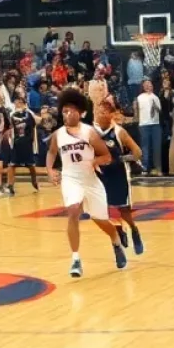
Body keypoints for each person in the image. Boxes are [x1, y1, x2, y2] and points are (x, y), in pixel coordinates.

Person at [47, 87, 126, 278]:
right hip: (70, 179)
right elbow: (51, 153)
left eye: (71, 110)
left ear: (80, 112)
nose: (67, 114)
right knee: (73, 211)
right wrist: (50, 170)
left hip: (90, 180)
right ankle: (75, 259)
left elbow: (107, 155)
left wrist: (96, 161)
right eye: (64, 111)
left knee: (99, 219)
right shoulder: (58, 135)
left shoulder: (89, 132)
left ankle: (116, 240)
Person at [93, 99, 144, 253]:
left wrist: (122, 159)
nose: (100, 114)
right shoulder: (92, 132)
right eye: (98, 111)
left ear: (111, 114)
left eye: (103, 112)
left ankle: (134, 230)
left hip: (119, 174)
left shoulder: (119, 131)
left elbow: (137, 153)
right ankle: (119, 232)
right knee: (106, 210)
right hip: (101, 175)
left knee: (124, 211)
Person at [6, 95, 39, 194]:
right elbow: (8, 127)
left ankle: (34, 181)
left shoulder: (29, 113)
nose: (18, 103)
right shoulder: (11, 114)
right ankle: (10, 185)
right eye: (16, 102)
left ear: (24, 103)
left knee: (31, 166)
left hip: (27, 142)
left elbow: (35, 125)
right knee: (12, 165)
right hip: (16, 143)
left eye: (20, 102)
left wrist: (32, 141)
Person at [135, 79, 162, 175]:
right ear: (143, 87)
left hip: (155, 125)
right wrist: (137, 122)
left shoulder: (156, 98)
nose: (147, 86)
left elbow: (159, 110)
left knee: (156, 147)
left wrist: (155, 106)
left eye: (149, 84)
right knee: (145, 147)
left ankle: (158, 168)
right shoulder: (139, 98)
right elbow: (136, 111)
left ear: (152, 86)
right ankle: (145, 168)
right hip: (144, 125)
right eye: (145, 84)